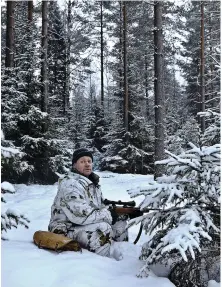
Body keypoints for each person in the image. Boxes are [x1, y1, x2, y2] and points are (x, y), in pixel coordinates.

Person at [48, 148, 128, 260]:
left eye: (89, 161)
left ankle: (123, 254)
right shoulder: (70, 184)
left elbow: (99, 207)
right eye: (82, 161)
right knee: (103, 228)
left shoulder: (91, 183)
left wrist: (117, 212)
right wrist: (108, 214)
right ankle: (103, 264)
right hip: (65, 230)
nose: (87, 164)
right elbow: (80, 215)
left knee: (121, 221)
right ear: (74, 165)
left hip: (81, 225)